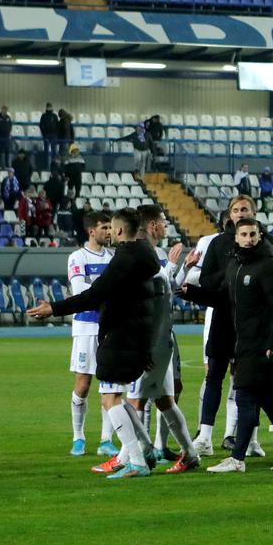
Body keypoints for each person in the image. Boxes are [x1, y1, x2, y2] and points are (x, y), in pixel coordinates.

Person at [27, 208, 161, 479]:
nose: (110, 232)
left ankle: (136, 461)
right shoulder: (145, 255)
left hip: (121, 334)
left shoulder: (124, 259)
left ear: (120, 231)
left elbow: (94, 295)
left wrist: (53, 308)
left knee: (109, 397)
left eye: (112, 228)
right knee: (118, 396)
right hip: (137, 334)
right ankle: (146, 449)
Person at [183, 218, 273, 473]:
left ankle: (237, 458)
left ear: (260, 237)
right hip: (244, 342)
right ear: (236, 238)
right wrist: (192, 294)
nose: (249, 239)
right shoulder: (235, 265)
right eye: (244, 234)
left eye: (253, 234)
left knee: (245, 397)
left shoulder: (268, 266)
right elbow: (224, 300)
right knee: (269, 402)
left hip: (261, 345)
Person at [131, 205, 202, 472]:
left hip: (154, 336)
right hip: (158, 334)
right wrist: (173, 267)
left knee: (131, 401)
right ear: (151, 225)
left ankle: (138, 455)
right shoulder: (147, 255)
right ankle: (189, 453)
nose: (165, 226)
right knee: (162, 400)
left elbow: (166, 289)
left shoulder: (153, 255)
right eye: (162, 222)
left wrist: (178, 268)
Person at [64, 211, 117, 457]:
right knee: (83, 384)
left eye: (110, 227)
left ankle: (106, 440)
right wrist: (108, 290)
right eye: (104, 227)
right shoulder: (78, 257)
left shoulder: (114, 257)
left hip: (110, 326)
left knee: (109, 386)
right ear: (91, 231)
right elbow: (79, 289)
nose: (109, 231)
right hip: (86, 326)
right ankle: (78, 436)